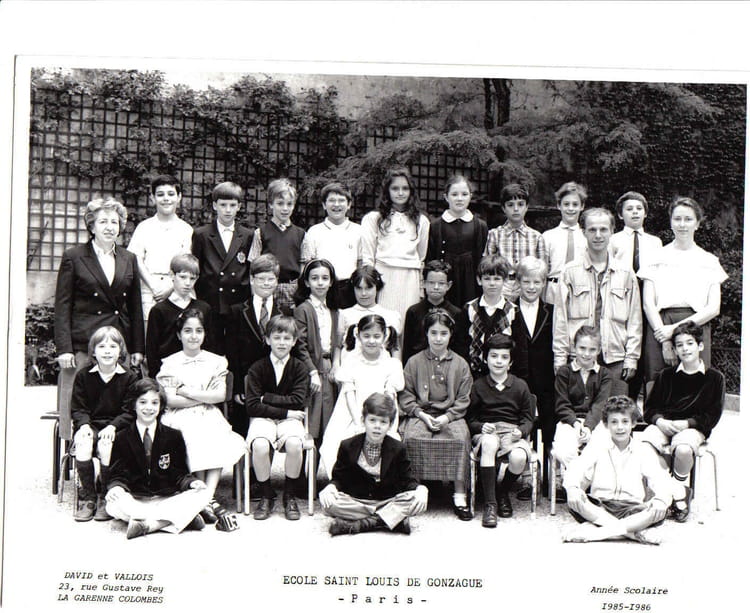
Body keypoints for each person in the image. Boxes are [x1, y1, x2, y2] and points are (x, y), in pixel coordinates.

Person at [156, 308, 246, 525]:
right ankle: (207, 500)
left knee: (216, 435)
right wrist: (204, 397)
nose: (193, 336)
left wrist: (185, 391)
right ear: (179, 335)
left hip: (208, 413)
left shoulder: (216, 361)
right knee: (192, 434)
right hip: (178, 415)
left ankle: (205, 497)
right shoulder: (170, 363)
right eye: (187, 331)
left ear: (205, 334)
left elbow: (220, 395)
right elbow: (171, 400)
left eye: (198, 331)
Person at [105, 378, 216, 539]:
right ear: (134, 405)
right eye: (143, 402)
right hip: (136, 499)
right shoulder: (122, 437)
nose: (149, 408)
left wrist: (192, 483)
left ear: (161, 406)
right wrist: (116, 487)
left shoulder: (173, 436)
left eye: (154, 403)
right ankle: (182, 518)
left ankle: (149, 525)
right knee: (112, 505)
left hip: (167, 497)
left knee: (203, 493)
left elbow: (180, 473)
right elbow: (117, 474)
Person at [641, 322, 725, 523]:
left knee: (684, 449)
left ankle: (676, 492)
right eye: (679, 345)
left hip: (693, 427)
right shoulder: (666, 376)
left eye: (690, 343)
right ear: (674, 349)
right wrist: (659, 421)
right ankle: (675, 492)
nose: (685, 349)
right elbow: (649, 409)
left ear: (700, 346)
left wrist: (687, 424)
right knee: (644, 444)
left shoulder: (715, 378)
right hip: (665, 424)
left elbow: (712, 416)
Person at [638, 196, 727, 385]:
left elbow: (713, 308)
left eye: (688, 219)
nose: (682, 224)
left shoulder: (709, 261)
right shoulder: (656, 257)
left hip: (696, 324)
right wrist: (665, 338)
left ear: (697, 224)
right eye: (677, 219)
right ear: (671, 222)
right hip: (660, 325)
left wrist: (675, 330)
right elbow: (648, 303)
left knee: (694, 384)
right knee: (658, 383)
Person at [552, 207, 642, 396]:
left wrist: (631, 357)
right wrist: (560, 358)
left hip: (615, 358)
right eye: (592, 230)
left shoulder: (626, 272)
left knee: (616, 410)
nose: (598, 235)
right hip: (579, 358)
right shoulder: (569, 271)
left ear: (612, 231)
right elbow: (560, 318)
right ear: (583, 232)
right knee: (580, 410)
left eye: (603, 229)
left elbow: (635, 319)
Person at [561, 396, 671, 545]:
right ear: (606, 424)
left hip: (632, 508)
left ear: (633, 423)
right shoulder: (597, 446)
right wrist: (573, 488)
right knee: (576, 501)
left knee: (657, 510)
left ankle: (597, 532)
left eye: (625, 421)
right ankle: (634, 532)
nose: (620, 427)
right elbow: (576, 468)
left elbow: (660, 479)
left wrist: (661, 500)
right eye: (614, 422)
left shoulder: (642, 450)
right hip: (601, 505)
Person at [54, 197, 145, 375]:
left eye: (114, 222)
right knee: (77, 392)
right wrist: (64, 349)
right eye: (103, 222)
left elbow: (135, 307)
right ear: (92, 226)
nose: (109, 227)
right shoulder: (73, 257)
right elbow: (62, 306)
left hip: (117, 343)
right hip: (84, 344)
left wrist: (137, 348)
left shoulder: (129, 258)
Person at [320, 393, 429, 536]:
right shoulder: (348, 445)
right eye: (372, 420)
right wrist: (330, 487)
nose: (377, 426)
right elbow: (338, 478)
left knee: (416, 500)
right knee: (329, 504)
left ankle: (360, 524)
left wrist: (421, 490)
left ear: (390, 425)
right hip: (357, 501)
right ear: (363, 421)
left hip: (386, 500)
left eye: (383, 422)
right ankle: (389, 520)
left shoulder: (398, 448)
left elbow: (408, 479)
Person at [399, 310, 473, 520]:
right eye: (433, 333)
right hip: (421, 414)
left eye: (443, 333)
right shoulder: (414, 362)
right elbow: (406, 395)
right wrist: (421, 414)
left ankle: (459, 494)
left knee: (459, 438)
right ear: (426, 334)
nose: (438, 338)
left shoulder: (460, 364)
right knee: (411, 438)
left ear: (451, 334)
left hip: (451, 415)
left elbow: (463, 398)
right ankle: (415, 489)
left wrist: (447, 417)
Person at [320, 314, 403, 480]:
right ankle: (346, 483)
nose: (371, 341)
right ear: (358, 336)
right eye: (366, 336)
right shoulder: (351, 361)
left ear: (385, 336)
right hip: (351, 412)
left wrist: (383, 421)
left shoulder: (391, 364)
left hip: (381, 412)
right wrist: (359, 421)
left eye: (376, 336)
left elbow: (389, 397)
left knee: (387, 440)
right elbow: (349, 392)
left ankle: (377, 482)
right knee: (337, 441)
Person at [245, 316, 310, 521]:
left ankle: (289, 495)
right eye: (277, 337)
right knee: (260, 445)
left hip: (291, 419)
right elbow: (252, 406)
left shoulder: (300, 368)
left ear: (294, 341)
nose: (282, 342)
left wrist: (267, 398)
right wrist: (286, 411)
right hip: (265, 418)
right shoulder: (257, 368)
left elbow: (298, 400)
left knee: (294, 444)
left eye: (287, 338)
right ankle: (266, 494)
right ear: (267, 339)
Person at [70, 326, 138, 522]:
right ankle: (89, 498)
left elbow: (129, 411)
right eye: (102, 346)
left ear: (121, 351)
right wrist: (84, 425)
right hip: (91, 424)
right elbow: (78, 408)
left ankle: (104, 497)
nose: (107, 351)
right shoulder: (83, 376)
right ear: (93, 351)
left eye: (113, 346)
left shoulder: (129, 378)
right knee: (83, 440)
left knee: (106, 444)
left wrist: (113, 426)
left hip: (117, 428)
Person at [467, 334, 534, 526]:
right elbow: (470, 419)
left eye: (504, 357)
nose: (498, 361)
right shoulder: (478, 386)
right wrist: (480, 426)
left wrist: (521, 431)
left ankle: (502, 491)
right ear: (486, 359)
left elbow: (528, 419)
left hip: (512, 432)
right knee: (489, 443)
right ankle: (490, 505)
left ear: (510, 362)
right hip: (487, 432)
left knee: (519, 457)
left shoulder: (520, 386)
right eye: (494, 356)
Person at [609, 191, 663, 400]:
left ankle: (646, 403)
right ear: (620, 214)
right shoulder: (614, 240)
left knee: (646, 352)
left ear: (645, 213)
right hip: (622, 298)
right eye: (629, 209)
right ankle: (625, 398)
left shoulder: (655, 242)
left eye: (639, 209)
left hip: (648, 299)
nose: (635, 212)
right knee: (627, 346)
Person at [191, 181, 255, 354]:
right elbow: (196, 269)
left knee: (236, 351)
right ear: (214, 205)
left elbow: (250, 270)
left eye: (232, 205)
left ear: (239, 206)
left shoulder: (248, 235)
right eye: (223, 205)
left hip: (237, 302)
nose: (228, 210)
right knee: (212, 349)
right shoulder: (202, 234)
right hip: (211, 302)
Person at [509, 256, 555, 498]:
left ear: (544, 283)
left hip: (546, 378)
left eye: (537, 282)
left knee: (549, 426)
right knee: (523, 425)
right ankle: (527, 479)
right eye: (526, 281)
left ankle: (551, 479)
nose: (531, 287)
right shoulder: (509, 310)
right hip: (518, 378)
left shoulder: (552, 311)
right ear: (518, 282)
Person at [360, 167, 430, 322]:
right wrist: (371, 285)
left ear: (411, 191)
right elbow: (368, 257)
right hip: (384, 276)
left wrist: (420, 288)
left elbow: (421, 257)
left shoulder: (421, 221)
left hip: (410, 278)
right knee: (384, 322)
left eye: (405, 188)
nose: (400, 193)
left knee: (408, 322)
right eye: (395, 188)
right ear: (387, 191)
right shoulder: (374, 219)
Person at [126, 175, 193, 324]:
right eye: (160, 194)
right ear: (152, 198)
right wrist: (154, 286)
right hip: (149, 291)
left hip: (176, 290)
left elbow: (186, 264)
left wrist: (170, 287)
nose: (166, 199)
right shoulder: (144, 227)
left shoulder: (186, 230)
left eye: (171, 194)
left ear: (179, 197)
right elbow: (135, 258)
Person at [293, 259, 339, 453]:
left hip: (330, 368)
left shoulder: (333, 310)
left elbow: (337, 342)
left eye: (325, 278)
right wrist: (312, 372)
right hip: (312, 369)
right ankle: (307, 469)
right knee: (313, 422)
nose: (320, 283)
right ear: (306, 282)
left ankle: (325, 466)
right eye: (315, 278)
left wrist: (336, 364)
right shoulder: (303, 309)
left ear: (331, 282)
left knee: (330, 420)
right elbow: (300, 345)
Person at [551, 326, 613, 472]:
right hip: (569, 422)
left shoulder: (604, 374)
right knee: (563, 451)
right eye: (582, 348)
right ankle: (580, 479)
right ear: (574, 347)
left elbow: (600, 404)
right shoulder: (564, 372)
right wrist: (576, 424)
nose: (586, 354)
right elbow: (562, 405)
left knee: (603, 450)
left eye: (592, 349)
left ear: (599, 350)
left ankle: (581, 481)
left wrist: (588, 426)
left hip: (596, 422)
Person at [145, 254, 214, 378]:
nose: (187, 283)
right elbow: (152, 350)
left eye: (192, 278)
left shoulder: (204, 308)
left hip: (197, 372)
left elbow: (209, 344)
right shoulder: (159, 310)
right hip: (168, 373)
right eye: (183, 277)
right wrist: (157, 377)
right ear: (172, 275)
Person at [426, 174, 488, 307]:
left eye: (464, 194)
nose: (459, 198)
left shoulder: (480, 226)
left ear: (470, 196)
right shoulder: (436, 226)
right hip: (445, 282)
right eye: (454, 194)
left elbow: (482, 260)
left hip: (470, 282)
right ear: (446, 197)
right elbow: (430, 259)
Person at [248, 178, 306, 312]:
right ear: (271, 204)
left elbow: (303, 268)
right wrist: (255, 295)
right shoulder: (261, 233)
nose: (285, 208)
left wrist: (300, 294)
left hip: (292, 290)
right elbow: (253, 267)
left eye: (289, 204)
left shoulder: (301, 234)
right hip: (267, 287)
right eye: (280, 203)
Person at [301, 182, 362, 309]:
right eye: (332, 200)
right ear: (324, 204)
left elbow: (361, 264)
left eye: (341, 200)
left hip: (349, 290)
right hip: (321, 288)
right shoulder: (314, 232)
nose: (336, 204)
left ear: (349, 204)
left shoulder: (359, 231)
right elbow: (307, 265)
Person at [484, 183, 547, 301]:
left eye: (520, 204)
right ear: (503, 208)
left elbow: (542, 271)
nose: (516, 209)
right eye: (510, 205)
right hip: (501, 290)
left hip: (527, 290)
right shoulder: (494, 235)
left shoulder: (537, 237)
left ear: (527, 207)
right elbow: (488, 268)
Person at [462, 254, 517, 379]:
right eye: (487, 279)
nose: (492, 283)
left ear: (505, 280)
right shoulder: (470, 309)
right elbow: (462, 344)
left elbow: (519, 347)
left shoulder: (513, 311)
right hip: (474, 374)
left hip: (503, 375)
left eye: (497, 279)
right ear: (479, 280)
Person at [335, 265, 402, 364]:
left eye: (368, 288)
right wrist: (336, 365)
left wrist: (397, 368)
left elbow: (395, 348)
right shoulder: (345, 314)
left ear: (377, 287)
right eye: (359, 288)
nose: (363, 293)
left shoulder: (391, 316)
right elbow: (338, 346)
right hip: (351, 368)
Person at [401, 259, 462, 365]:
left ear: (449, 285)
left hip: (447, 365)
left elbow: (459, 348)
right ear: (423, 283)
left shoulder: (456, 313)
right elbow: (408, 348)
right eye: (431, 283)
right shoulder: (413, 312)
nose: (436, 287)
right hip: (419, 366)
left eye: (441, 283)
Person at [542, 182, 587, 305]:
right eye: (566, 204)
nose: (571, 208)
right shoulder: (548, 236)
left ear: (582, 206)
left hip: (580, 293)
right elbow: (542, 270)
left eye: (575, 204)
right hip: (553, 292)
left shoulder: (587, 236)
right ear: (559, 206)